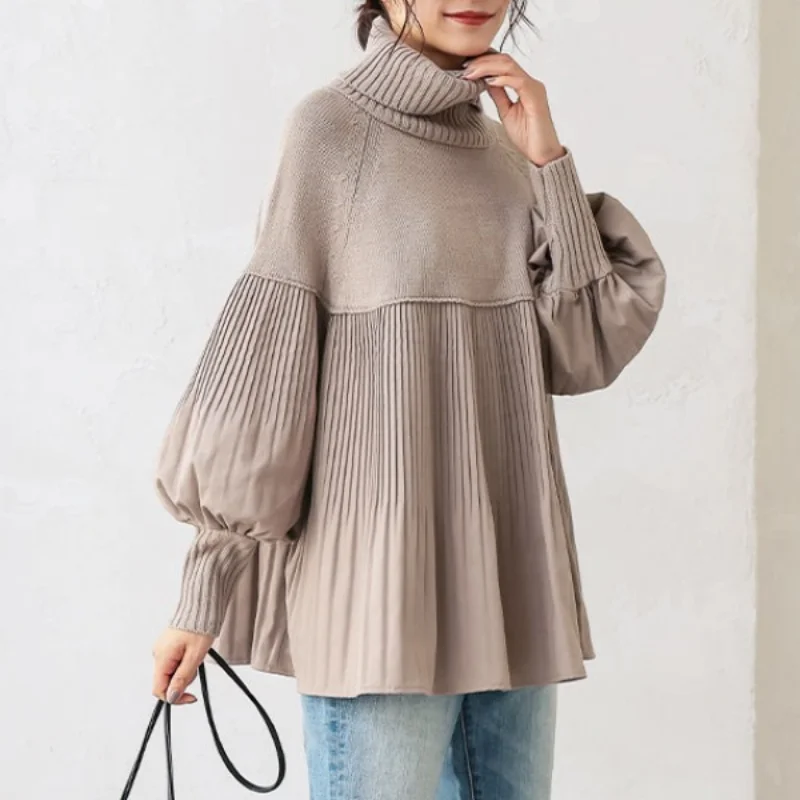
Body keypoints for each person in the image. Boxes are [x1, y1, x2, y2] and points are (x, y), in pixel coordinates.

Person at [149, 1, 666, 797]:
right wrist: (204, 589)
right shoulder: (330, 131)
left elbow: (587, 344)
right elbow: (265, 371)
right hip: (378, 606)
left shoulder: (508, 151)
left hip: (513, 597)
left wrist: (549, 163)